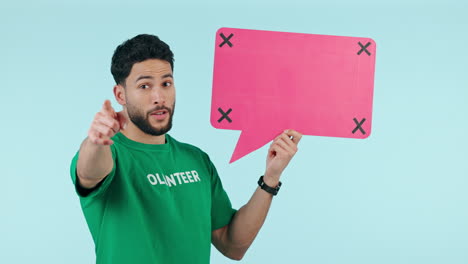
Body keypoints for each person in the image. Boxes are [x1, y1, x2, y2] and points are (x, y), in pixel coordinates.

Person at [69, 34, 302, 264]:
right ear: (121, 94)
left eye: (166, 83)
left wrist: (271, 178)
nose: (159, 97)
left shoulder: (196, 160)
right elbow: (89, 172)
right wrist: (96, 141)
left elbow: (232, 245)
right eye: (144, 86)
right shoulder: (110, 154)